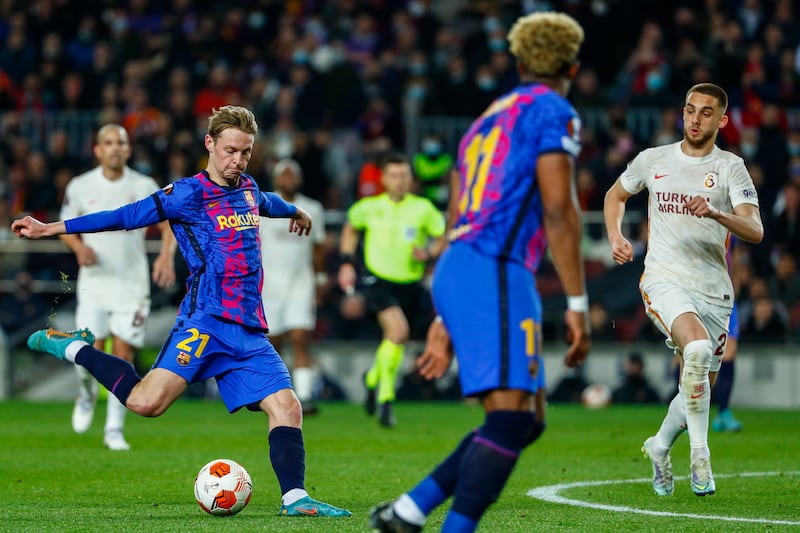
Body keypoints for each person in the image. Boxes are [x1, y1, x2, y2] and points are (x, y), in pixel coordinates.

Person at [13, 106, 350, 518]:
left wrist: (296, 211)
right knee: (145, 404)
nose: (237, 161)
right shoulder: (187, 194)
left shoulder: (246, 187)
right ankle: (71, 348)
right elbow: (125, 216)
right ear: (209, 144)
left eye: (245, 153)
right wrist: (52, 228)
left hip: (247, 329)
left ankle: (295, 499)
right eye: (230, 151)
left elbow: (265, 202)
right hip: (204, 320)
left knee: (288, 406)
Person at [368, 12, 590, 532]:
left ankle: (409, 510)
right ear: (573, 69)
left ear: (516, 63)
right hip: (493, 268)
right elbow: (559, 209)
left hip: (462, 266)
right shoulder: (554, 111)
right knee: (512, 418)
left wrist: (447, 316)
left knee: (527, 419)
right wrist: (578, 304)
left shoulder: (485, 120)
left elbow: (457, 215)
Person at [604, 82, 763, 497]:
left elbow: (756, 229)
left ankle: (659, 447)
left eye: (706, 112)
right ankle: (700, 456)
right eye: (690, 110)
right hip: (663, 279)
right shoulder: (653, 159)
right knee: (694, 351)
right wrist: (615, 235)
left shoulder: (731, 167)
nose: (695, 119)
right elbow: (615, 195)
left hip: (714, 290)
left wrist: (717, 212)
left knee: (698, 386)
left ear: (722, 120)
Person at [59, 124, 176, 451]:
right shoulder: (81, 186)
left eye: (121, 143)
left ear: (128, 150)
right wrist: (79, 248)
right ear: (98, 150)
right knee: (88, 349)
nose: (115, 148)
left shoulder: (143, 184)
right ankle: (85, 394)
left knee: (123, 354)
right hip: (94, 283)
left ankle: (113, 428)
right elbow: (65, 223)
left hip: (132, 284)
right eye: (108, 143)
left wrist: (165, 256)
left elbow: (168, 224)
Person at [337, 153, 446, 428]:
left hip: (410, 284)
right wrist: (347, 263)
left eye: (404, 176)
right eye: (394, 175)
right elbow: (351, 227)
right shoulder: (369, 207)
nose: (400, 181)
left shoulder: (422, 208)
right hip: (377, 281)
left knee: (395, 339)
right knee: (398, 332)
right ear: (384, 179)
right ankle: (386, 398)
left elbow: (442, 234)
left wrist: (430, 252)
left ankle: (373, 378)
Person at [258, 158, 327, 416]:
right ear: (276, 179)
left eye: (292, 174)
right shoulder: (262, 206)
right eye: (284, 175)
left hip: (301, 282)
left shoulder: (312, 208)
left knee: (300, 338)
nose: (289, 179)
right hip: (269, 284)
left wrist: (319, 279)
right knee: (272, 343)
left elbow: (318, 246)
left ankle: (305, 396)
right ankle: (274, 395)